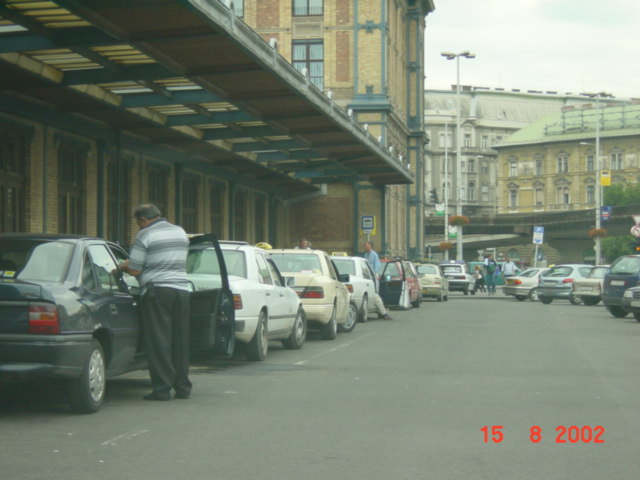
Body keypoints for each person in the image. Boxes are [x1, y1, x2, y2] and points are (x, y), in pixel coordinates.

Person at [117, 203, 192, 401]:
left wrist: (121, 267)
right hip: (182, 291)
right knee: (180, 341)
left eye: (139, 223)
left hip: (157, 292)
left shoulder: (145, 235)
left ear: (143, 220)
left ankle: (162, 389)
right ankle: (183, 387)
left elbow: (135, 269)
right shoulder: (180, 232)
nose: (139, 227)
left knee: (159, 341)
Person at [362, 241, 392, 320]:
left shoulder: (374, 255)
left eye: (367, 245)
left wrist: (373, 275)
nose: (365, 247)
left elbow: (377, 266)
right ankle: (383, 313)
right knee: (375, 297)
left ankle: (383, 313)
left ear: (371, 246)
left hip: (372, 278)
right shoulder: (365, 255)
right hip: (366, 277)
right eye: (365, 245)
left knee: (375, 295)